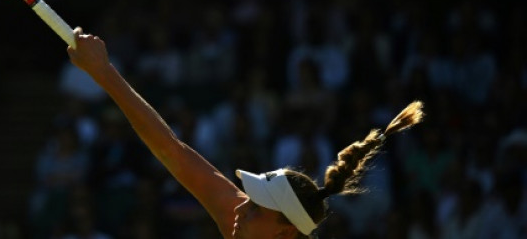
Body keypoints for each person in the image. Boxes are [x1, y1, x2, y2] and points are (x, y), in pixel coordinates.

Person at [66, 28, 425, 238]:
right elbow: (170, 151)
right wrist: (104, 73)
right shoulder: (239, 219)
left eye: (255, 209)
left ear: (286, 234)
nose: (240, 209)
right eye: (251, 202)